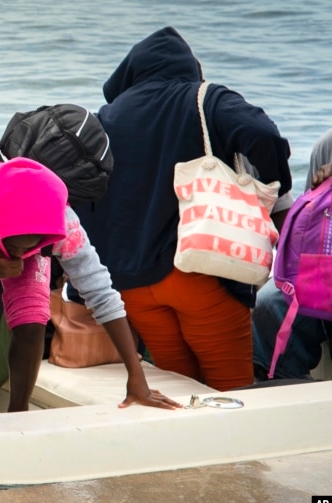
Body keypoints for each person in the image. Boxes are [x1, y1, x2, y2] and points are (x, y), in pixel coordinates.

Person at [75, 27, 293, 391]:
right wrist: (273, 188)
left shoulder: (106, 118)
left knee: (181, 387)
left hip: (132, 287)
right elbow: (263, 135)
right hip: (200, 272)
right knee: (231, 390)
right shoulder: (205, 98)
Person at [0, 159, 180, 412]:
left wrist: (136, 374)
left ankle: (19, 411)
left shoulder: (64, 224)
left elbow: (101, 292)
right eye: (14, 246)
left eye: (25, 246)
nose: (17, 253)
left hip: (35, 251)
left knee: (32, 321)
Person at [252, 130, 332, 381]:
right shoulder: (328, 145)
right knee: (271, 303)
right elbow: (311, 231)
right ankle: (290, 393)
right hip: (325, 265)